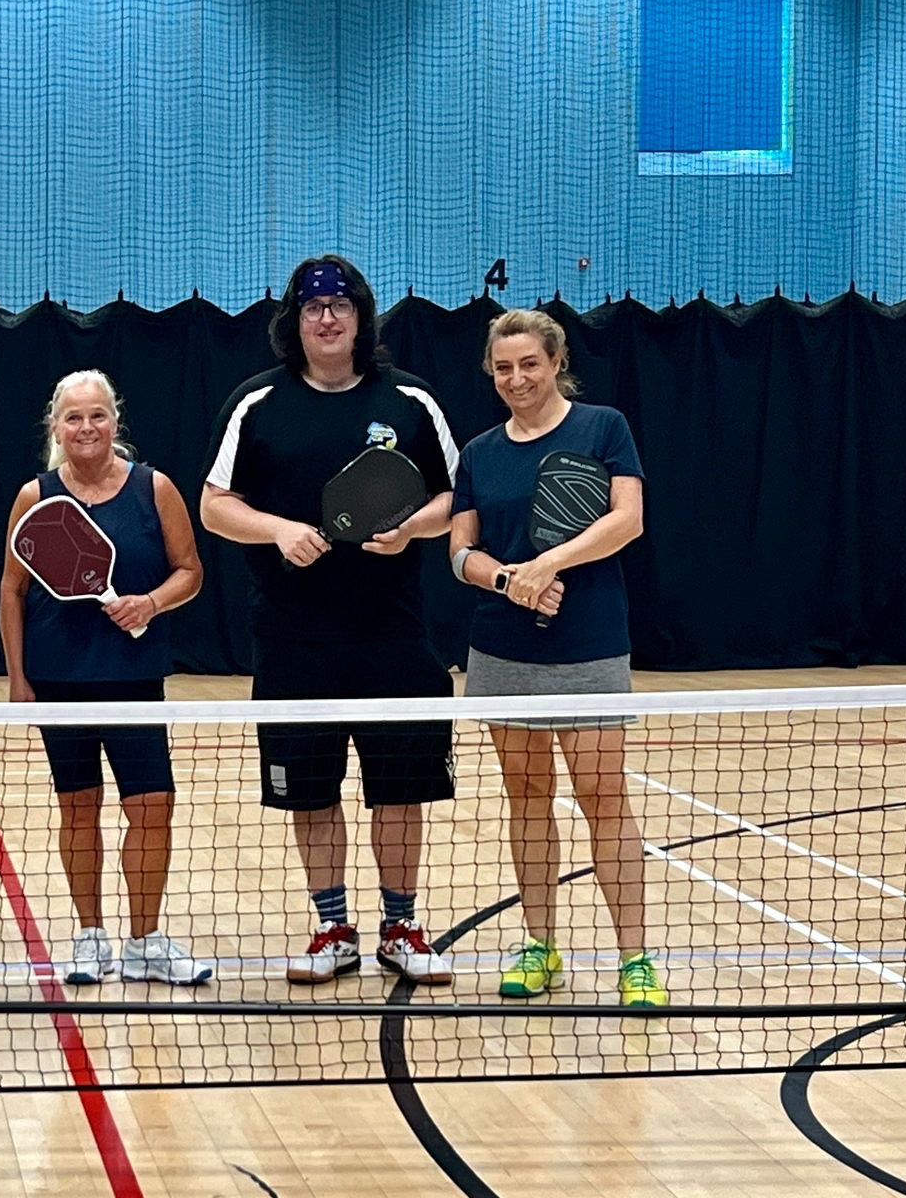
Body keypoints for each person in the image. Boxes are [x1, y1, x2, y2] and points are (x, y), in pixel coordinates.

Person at [201, 254, 460, 988]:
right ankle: (333, 928)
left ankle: (401, 926)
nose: (326, 318)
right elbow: (214, 505)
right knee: (311, 793)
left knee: (400, 791)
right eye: (313, 307)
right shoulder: (257, 403)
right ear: (295, 321)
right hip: (293, 641)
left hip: (394, 637)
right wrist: (279, 530)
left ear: (360, 317)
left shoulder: (411, 401)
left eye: (340, 305)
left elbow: (455, 497)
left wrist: (412, 529)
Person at [447, 309, 665, 1007]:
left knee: (604, 798)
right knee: (528, 795)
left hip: (588, 641)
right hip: (502, 644)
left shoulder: (603, 428)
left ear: (556, 361)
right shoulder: (479, 452)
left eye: (529, 364)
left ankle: (635, 959)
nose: (517, 379)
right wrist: (508, 580)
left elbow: (627, 520)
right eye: (503, 368)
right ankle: (540, 945)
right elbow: (460, 552)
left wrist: (548, 564)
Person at [0, 370, 210, 986]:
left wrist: (150, 604)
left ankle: (144, 942)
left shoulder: (154, 488)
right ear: (55, 427)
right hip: (59, 679)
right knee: (78, 808)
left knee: (152, 807)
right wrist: (18, 679)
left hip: (135, 678)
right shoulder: (35, 497)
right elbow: (11, 590)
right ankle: (91, 938)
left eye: (97, 415)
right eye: (74, 417)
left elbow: (190, 571)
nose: (86, 427)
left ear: (115, 421)